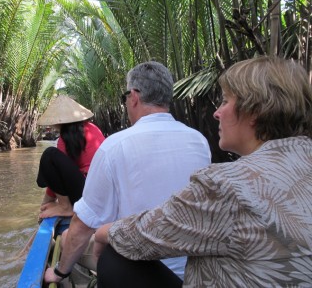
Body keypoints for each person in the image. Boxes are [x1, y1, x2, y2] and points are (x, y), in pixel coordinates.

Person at [94, 56, 312, 287]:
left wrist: (102, 234)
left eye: (226, 101)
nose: (217, 112)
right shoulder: (198, 141)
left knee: (113, 259)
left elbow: (141, 235)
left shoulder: (227, 185)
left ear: (255, 111)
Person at [44, 61, 212, 286]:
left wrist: (59, 272)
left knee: (67, 239)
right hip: (191, 275)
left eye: (125, 96)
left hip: (137, 273)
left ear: (134, 96)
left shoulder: (115, 146)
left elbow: (82, 226)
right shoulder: (199, 141)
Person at [36, 95, 105, 218]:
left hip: (88, 193)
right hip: (101, 193)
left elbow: (57, 174)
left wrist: (46, 203)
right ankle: (64, 205)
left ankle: (65, 207)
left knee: (49, 155)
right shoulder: (93, 128)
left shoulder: (65, 138)